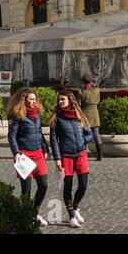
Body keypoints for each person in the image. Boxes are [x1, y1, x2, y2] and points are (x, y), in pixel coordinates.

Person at [49, 90, 93, 228]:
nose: (60, 102)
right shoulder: (57, 118)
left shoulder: (80, 115)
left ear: (70, 100)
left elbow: (90, 134)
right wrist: (57, 158)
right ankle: (71, 216)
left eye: (63, 99)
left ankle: (75, 207)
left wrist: (82, 141)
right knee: (67, 186)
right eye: (59, 100)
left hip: (81, 154)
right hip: (66, 156)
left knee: (83, 184)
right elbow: (53, 140)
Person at [7, 87, 49, 227]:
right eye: (31, 99)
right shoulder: (16, 114)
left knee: (43, 185)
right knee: (27, 189)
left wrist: (45, 149)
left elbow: (39, 133)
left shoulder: (36, 114)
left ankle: (34, 212)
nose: (34, 102)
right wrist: (16, 153)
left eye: (35, 99)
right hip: (23, 155)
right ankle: (25, 217)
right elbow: (11, 136)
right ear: (23, 100)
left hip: (38, 153)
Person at [77, 73, 103, 161]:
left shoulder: (81, 91)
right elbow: (98, 101)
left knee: (84, 134)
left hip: (85, 114)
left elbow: (78, 105)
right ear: (91, 80)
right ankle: (100, 155)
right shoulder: (96, 90)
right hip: (95, 114)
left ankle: (82, 154)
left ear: (82, 81)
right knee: (96, 135)